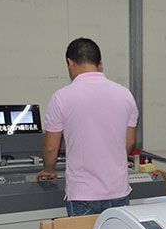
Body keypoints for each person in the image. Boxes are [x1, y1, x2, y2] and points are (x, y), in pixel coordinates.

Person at [37, 38, 138, 216]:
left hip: (82, 194)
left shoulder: (61, 97)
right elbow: (129, 143)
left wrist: (48, 170)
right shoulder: (125, 95)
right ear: (100, 64)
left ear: (70, 63)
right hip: (118, 191)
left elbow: (51, 147)